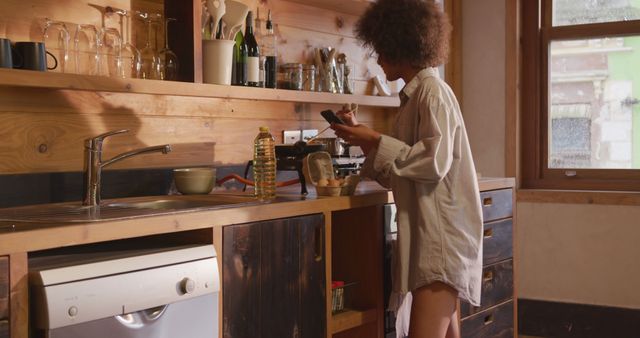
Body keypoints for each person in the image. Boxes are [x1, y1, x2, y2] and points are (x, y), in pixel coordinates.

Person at [331, 1, 483, 337]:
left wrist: (372, 136)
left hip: (440, 242)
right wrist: (364, 139)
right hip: (433, 238)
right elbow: (401, 169)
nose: (378, 59)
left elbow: (433, 162)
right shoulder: (414, 99)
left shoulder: (433, 93)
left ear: (403, 47)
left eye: (383, 51)